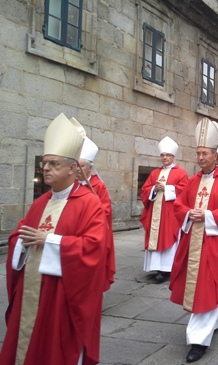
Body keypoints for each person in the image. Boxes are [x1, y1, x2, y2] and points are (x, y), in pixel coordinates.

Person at [0, 113, 107, 365]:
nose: (45, 168)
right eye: (45, 163)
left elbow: (93, 248)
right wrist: (21, 242)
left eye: (53, 164)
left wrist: (50, 240)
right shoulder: (40, 203)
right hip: (32, 289)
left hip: (63, 294)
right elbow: (20, 236)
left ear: (73, 169)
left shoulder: (90, 204)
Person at [169, 118, 218, 363]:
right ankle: (217, 319)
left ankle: (198, 340)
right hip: (193, 244)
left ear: (214, 155)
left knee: (208, 287)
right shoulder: (193, 181)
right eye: (197, 153)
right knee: (200, 286)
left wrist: (209, 215)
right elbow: (179, 205)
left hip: (215, 244)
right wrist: (189, 213)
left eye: (204, 154)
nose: (199, 158)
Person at [140, 136, 188, 284]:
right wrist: (154, 188)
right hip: (156, 212)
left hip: (170, 214)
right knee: (156, 237)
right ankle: (156, 267)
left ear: (173, 157)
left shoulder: (180, 173)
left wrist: (167, 189)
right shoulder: (155, 173)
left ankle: (167, 269)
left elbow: (185, 192)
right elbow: (145, 189)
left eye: (168, 155)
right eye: (162, 155)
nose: (165, 158)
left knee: (168, 237)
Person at [77, 136, 116, 292]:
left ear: (90, 168)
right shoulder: (71, 184)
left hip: (93, 232)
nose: (78, 170)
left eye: (81, 166)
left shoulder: (98, 186)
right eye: (75, 166)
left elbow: (106, 210)